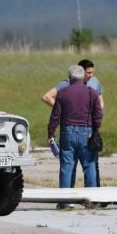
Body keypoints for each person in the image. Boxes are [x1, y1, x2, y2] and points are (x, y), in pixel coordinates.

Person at [42, 59, 104, 187]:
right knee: (89, 165)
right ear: (82, 77)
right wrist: (95, 130)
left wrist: (50, 134)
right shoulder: (91, 93)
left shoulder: (62, 93)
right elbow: (98, 114)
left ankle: (65, 202)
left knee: (67, 167)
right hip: (87, 132)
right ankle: (91, 200)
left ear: (70, 77)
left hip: (67, 132)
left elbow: (55, 116)